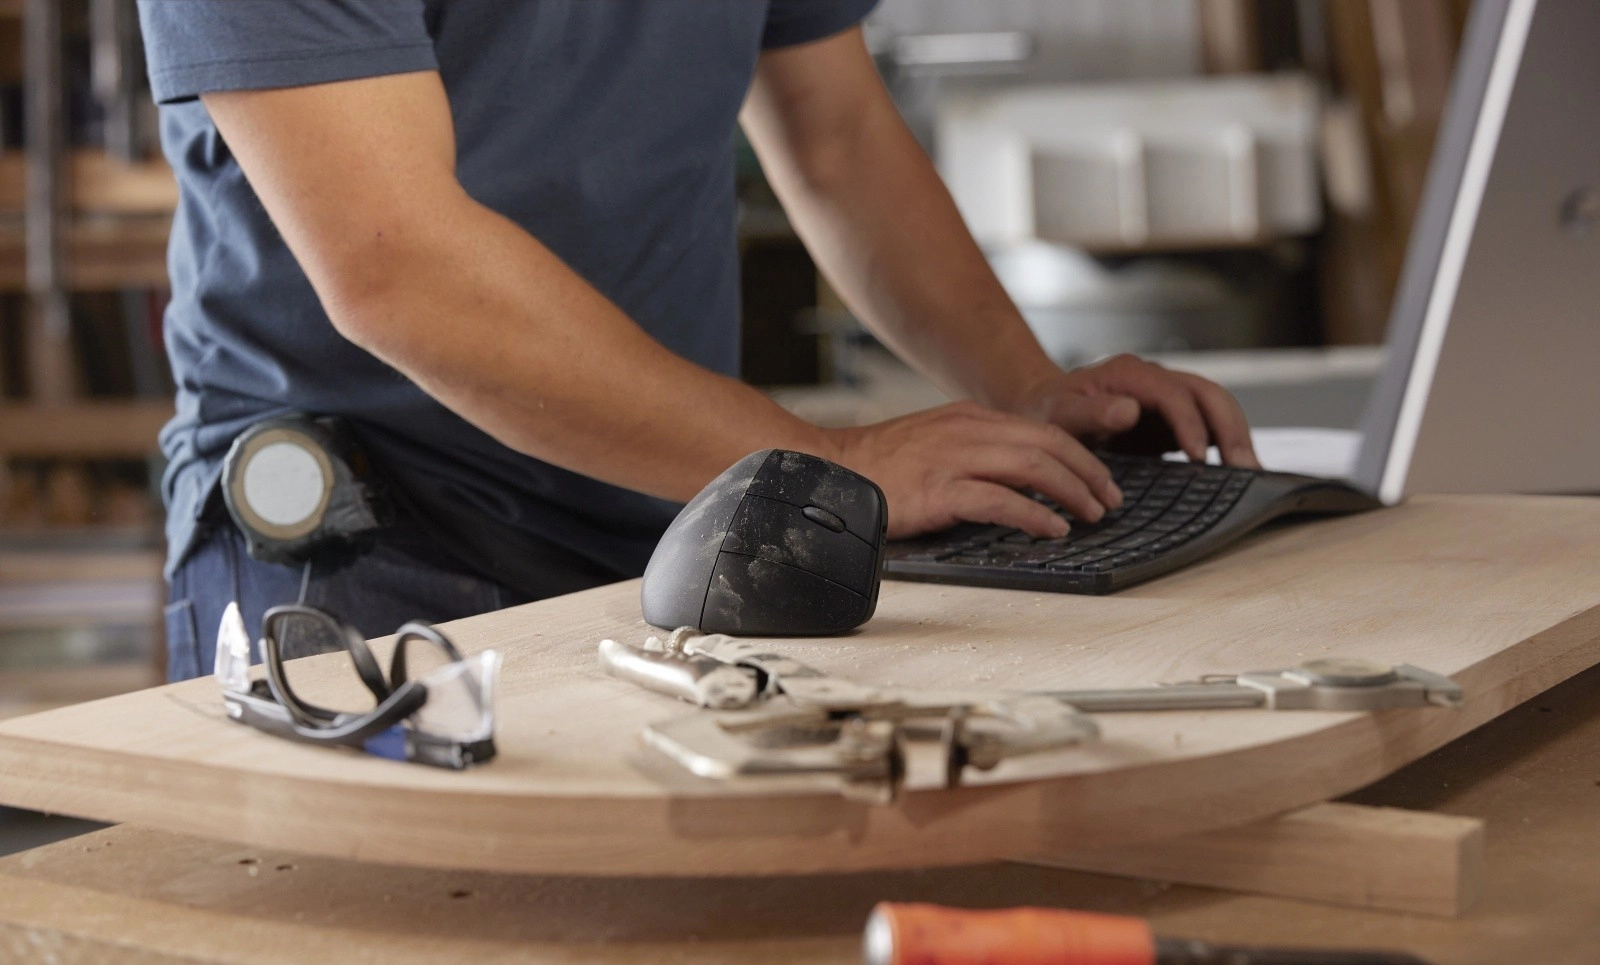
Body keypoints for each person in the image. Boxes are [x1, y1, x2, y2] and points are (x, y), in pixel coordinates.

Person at [140, 1, 1258, 682]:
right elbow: (397, 266)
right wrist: (835, 460)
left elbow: (837, 138)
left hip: (670, 516)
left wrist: (1030, 390)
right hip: (369, 539)